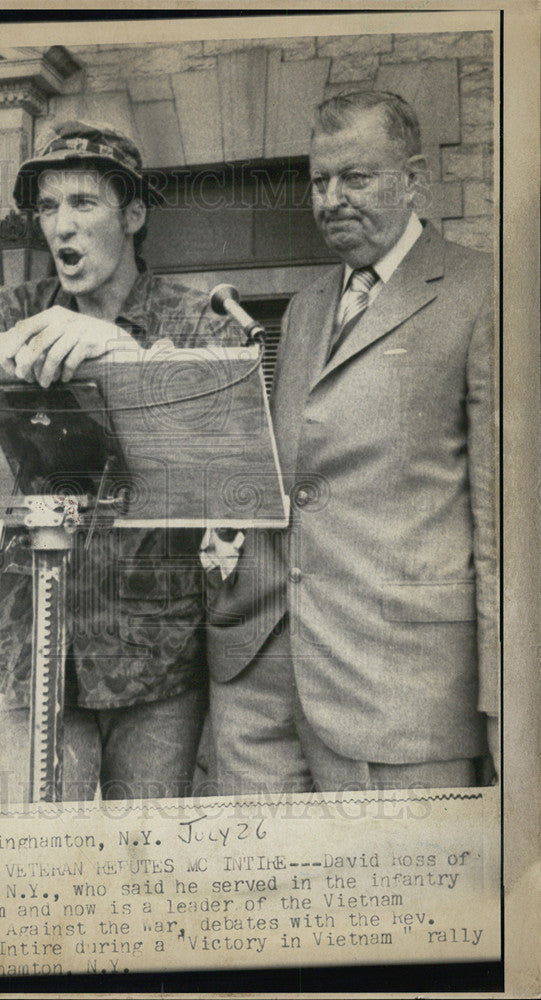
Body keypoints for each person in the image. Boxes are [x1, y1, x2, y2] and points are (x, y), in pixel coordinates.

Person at [208, 91, 498, 793]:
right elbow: (288, 477)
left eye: (355, 178)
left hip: (400, 696)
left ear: (415, 180)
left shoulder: (484, 291)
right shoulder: (306, 307)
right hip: (262, 686)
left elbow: (505, 525)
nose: (331, 199)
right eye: (317, 181)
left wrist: (507, 704)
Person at [0, 120, 239, 803]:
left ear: (134, 214)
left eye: (83, 203)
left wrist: (122, 351)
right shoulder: (7, 319)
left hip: (154, 656)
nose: (61, 226)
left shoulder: (201, 322)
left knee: (140, 874)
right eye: (49, 207)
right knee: (32, 875)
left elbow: (221, 474)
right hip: (34, 644)